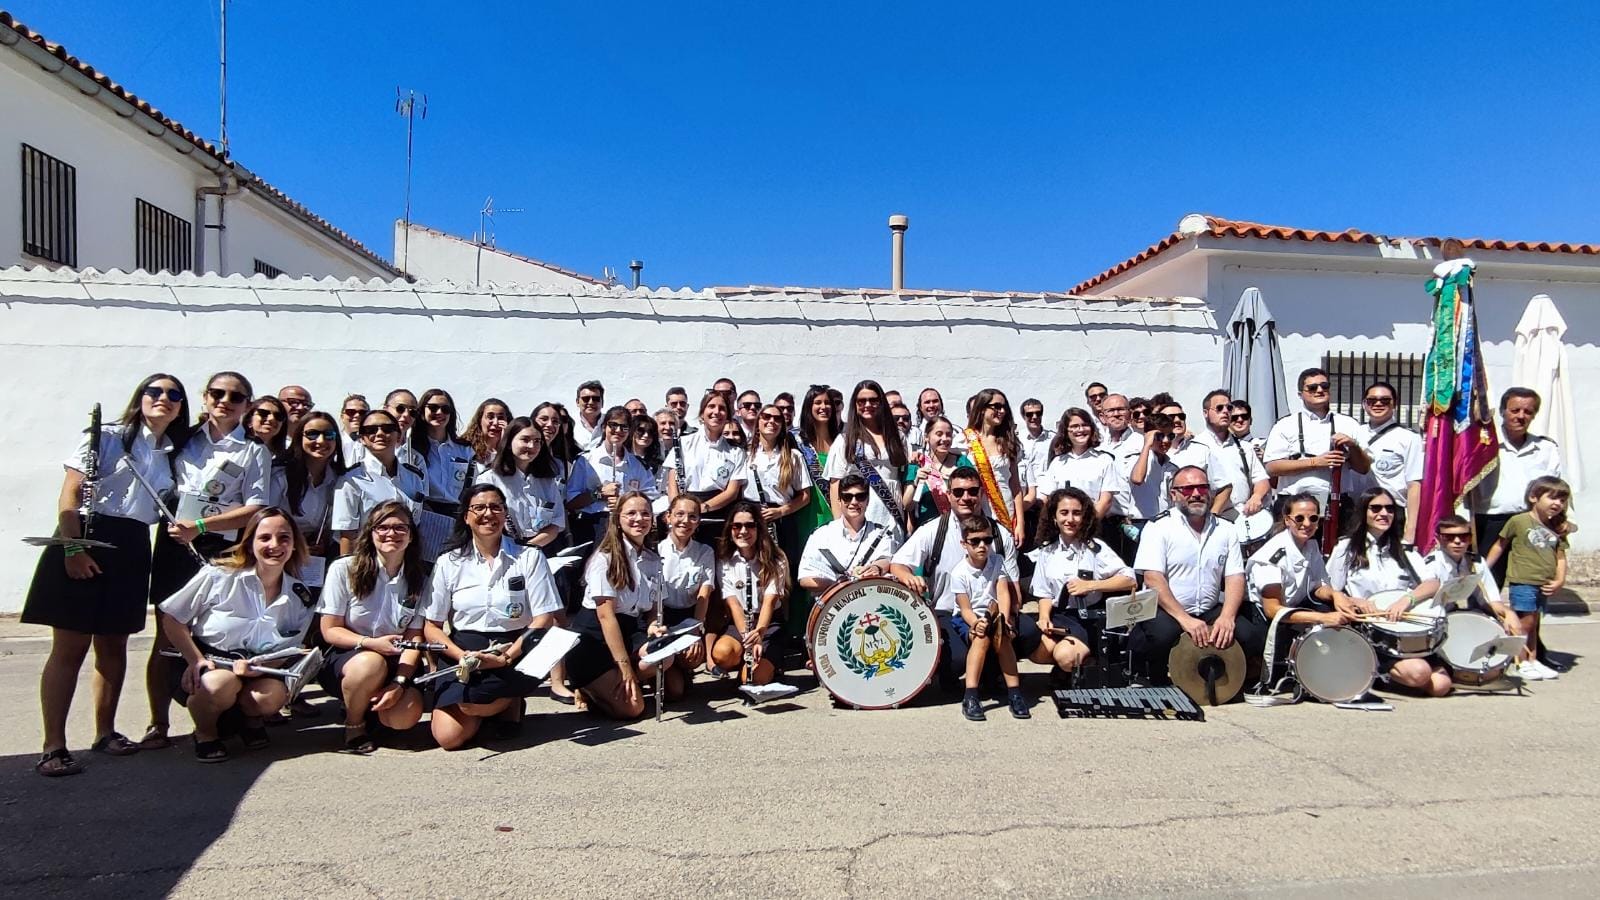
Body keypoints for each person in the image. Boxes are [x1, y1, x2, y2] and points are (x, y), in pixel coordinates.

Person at [24, 375, 191, 776]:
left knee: (113, 647)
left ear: (181, 407)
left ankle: (105, 732)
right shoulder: (106, 436)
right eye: (155, 391)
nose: (163, 399)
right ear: (140, 397)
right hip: (87, 534)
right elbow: (69, 493)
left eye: (173, 395)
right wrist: (73, 547)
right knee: (70, 648)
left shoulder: (172, 452)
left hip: (133, 544)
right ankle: (54, 746)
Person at [143, 370, 271, 751]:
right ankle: (158, 723)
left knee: (220, 631)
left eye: (235, 397)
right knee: (166, 635)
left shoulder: (253, 450)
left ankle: (226, 712)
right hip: (172, 546)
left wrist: (201, 525)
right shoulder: (179, 440)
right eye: (217, 393)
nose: (225, 401)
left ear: (247, 405)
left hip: (219, 548)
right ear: (204, 397)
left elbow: (255, 507)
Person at [156, 507, 313, 763]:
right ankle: (205, 734)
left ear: (295, 545)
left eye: (284, 538)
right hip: (207, 661)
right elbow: (172, 619)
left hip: (258, 667)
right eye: (264, 538)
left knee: (270, 697)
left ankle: (251, 720)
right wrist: (195, 661)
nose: (275, 545)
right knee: (219, 684)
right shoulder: (219, 576)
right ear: (250, 543)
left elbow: (291, 648)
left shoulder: (299, 595)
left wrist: (260, 668)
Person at [422, 485, 563, 748]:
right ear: (466, 516)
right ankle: (497, 705)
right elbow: (431, 625)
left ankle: (508, 701)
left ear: (505, 514)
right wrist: (460, 655)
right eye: (479, 508)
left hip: (516, 645)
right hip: (465, 648)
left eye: (496, 507)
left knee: (473, 708)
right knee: (448, 737)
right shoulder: (448, 562)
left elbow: (544, 617)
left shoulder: (529, 557)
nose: (488, 514)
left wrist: (506, 657)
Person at [890, 467, 1032, 691]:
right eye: (958, 492)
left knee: (1030, 633)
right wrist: (909, 577)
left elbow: (1013, 588)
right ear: (949, 495)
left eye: (972, 491)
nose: (966, 497)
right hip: (948, 612)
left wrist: (1009, 622)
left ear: (981, 494)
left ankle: (992, 669)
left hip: (992, 612)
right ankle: (970, 671)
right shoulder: (933, 530)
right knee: (954, 661)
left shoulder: (1001, 534)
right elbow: (897, 564)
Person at [1128, 466, 1266, 682]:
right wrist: (1185, 620)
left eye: (1202, 488)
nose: (1196, 494)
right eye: (1188, 489)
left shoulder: (1226, 529)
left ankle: (1234, 678)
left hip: (1209, 608)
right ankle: (1152, 678)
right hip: (1168, 610)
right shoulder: (1158, 528)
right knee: (1162, 636)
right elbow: (1153, 579)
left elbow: (1235, 577)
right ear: (1174, 494)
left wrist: (1227, 618)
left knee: (1250, 635)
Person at [316, 502, 428, 753]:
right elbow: (330, 630)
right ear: (370, 533)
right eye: (383, 527)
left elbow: (414, 636)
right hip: (351, 656)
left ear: (411, 536)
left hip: (397, 659)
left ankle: (373, 712)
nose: (392, 534)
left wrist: (399, 682)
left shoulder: (420, 578)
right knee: (370, 663)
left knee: (403, 718)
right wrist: (370, 644)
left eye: (400, 528)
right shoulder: (344, 568)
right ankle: (354, 725)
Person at [1327, 488, 1449, 696]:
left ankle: (1382, 674)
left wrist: (1407, 600)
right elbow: (1331, 590)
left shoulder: (1403, 548)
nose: (1384, 514)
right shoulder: (1346, 548)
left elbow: (1433, 583)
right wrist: (1354, 600)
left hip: (1406, 628)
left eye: (1389, 509)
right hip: (1371, 629)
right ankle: (1377, 671)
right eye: (1376, 508)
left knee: (1441, 686)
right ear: (1363, 512)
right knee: (1420, 673)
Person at [567, 491, 662, 719]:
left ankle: (616, 684)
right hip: (594, 640)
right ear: (618, 519)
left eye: (645, 513)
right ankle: (590, 688)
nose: (639, 519)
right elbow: (606, 618)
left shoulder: (653, 560)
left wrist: (652, 625)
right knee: (633, 709)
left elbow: (652, 609)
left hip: (629, 631)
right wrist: (625, 666)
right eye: (631, 513)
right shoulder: (605, 558)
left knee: (663, 657)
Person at [1030, 487, 1135, 683]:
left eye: (1076, 513)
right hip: (1059, 616)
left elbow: (1129, 579)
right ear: (1054, 517)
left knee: (1065, 655)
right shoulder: (1047, 550)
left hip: (1088, 619)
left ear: (1084, 517)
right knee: (1037, 651)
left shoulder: (1095, 548)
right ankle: (1071, 670)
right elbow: (1043, 592)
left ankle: (1090, 664)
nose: (1070, 519)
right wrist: (1044, 618)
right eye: (1064, 513)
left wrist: (1092, 586)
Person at [1473, 388, 1565, 586]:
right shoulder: (1484, 445)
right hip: (1491, 521)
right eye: (1515, 410)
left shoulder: (1546, 449)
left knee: (1530, 583)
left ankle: (1525, 616)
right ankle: (1483, 616)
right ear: (1503, 411)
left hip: (1532, 522)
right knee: (1487, 582)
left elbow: (1557, 489)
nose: (1521, 416)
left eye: (1528, 412)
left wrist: (1562, 520)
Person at [1482, 477, 1570, 681]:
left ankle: (1533, 659)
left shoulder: (1558, 527)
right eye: (1552, 498)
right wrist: (1485, 568)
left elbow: (1561, 557)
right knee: (1524, 623)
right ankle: (1518, 661)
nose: (1557, 503)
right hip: (1523, 581)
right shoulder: (1519, 521)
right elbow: (1500, 545)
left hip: (1544, 584)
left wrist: (1559, 580)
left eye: (1562, 500)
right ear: (1534, 497)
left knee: (1534, 622)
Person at [1263, 368, 1370, 519]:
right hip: (1294, 504)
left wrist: (1353, 447)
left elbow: (1364, 468)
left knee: (1341, 543)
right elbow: (1272, 467)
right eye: (1312, 388)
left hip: (1338, 504)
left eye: (1324, 386)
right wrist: (1315, 462)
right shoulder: (1285, 424)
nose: (1319, 390)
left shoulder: (1348, 423)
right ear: (1300, 394)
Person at [951, 515, 1028, 721]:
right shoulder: (959, 573)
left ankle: (1015, 693)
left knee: (1002, 639)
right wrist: (975, 623)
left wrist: (1004, 619)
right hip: (968, 617)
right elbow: (964, 608)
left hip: (994, 613)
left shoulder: (997, 561)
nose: (982, 546)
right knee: (981, 638)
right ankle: (971, 695)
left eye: (987, 540)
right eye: (975, 541)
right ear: (964, 544)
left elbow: (1003, 592)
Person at [709, 501, 789, 685]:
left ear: (759, 528)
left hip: (767, 624)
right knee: (722, 654)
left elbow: (769, 602)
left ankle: (768, 667)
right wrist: (748, 638)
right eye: (737, 526)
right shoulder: (724, 560)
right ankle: (743, 660)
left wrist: (759, 634)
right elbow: (733, 604)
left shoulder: (777, 559)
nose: (743, 531)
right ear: (730, 529)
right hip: (742, 622)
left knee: (751, 679)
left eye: (750, 525)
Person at [332, 409, 428, 556]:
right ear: (362, 439)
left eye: (388, 429)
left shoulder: (414, 477)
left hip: (406, 561)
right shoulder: (351, 480)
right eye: (370, 430)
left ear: (399, 436)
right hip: (367, 560)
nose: (380, 434)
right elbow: (347, 535)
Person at [270, 411, 347, 594]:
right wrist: (297, 544)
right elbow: (265, 519)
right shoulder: (280, 475)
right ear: (299, 438)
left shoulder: (340, 479)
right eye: (312, 434)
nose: (321, 441)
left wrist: (325, 540)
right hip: (279, 555)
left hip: (316, 562)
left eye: (329, 435)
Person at [740, 403, 812, 596]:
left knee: (783, 573)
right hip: (752, 517)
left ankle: (783, 621)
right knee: (754, 571)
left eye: (777, 418)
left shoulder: (793, 456)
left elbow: (805, 496)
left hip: (781, 519)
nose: (771, 421)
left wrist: (781, 511)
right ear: (758, 422)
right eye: (766, 417)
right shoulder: (745, 454)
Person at [826, 380, 910, 540]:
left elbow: (905, 479)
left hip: (892, 510)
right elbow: (835, 483)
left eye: (873, 400)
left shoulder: (897, 437)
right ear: (855, 405)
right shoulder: (846, 439)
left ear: (881, 403)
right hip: (859, 507)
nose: (867, 404)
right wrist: (839, 523)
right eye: (862, 401)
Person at [568, 405, 660, 546]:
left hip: (629, 525)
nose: (618, 431)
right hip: (595, 524)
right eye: (613, 425)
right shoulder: (586, 461)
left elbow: (651, 497)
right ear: (604, 427)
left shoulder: (638, 465)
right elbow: (571, 502)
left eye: (624, 427)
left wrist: (626, 502)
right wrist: (598, 494)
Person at [797, 473, 902, 597]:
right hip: (831, 606)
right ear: (839, 501)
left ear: (867, 501)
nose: (854, 502)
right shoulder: (821, 535)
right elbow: (805, 579)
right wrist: (842, 584)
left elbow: (888, 561)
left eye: (860, 496)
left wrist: (876, 569)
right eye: (847, 497)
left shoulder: (882, 534)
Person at [1345, 381, 1423, 545]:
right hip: (1355, 512)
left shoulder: (1409, 438)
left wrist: (1410, 532)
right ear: (1364, 404)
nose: (1378, 404)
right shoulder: (1354, 433)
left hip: (1388, 512)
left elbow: (1414, 485)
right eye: (1372, 400)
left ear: (1395, 404)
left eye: (1385, 400)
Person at [664, 391, 747, 542]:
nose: (716, 412)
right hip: (685, 515)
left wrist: (702, 508)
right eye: (711, 407)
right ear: (702, 413)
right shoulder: (683, 443)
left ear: (728, 416)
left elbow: (732, 492)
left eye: (722, 408)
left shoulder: (736, 452)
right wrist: (680, 511)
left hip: (718, 516)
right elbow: (672, 484)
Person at [657, 495, 716, 697]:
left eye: (692, 516)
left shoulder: (704, 551)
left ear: (698, 522)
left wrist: (695, 633)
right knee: (673, 692)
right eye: (679, 514)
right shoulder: (656, 551)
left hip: (688, 617)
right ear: (668, 517)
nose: (685, 521)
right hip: (661, 618)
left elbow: (704, 594)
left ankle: (682, 669)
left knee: (691, 661)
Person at [477, 417, 564, 548]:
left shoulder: (547, 480)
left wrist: (529, 548)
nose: (532, 446)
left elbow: (556, 522)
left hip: (540, 548)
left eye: (537, 441)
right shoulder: (489, 479)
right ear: (508, 442)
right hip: (502, 548)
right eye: (525, 440)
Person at [411, 389, 478, 557]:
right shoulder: (411, 448)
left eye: (445, 409)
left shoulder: (464, 449)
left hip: (456, 517)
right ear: (422, 411)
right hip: (424, 515)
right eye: (433, 408)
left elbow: (471, 486)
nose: (439, 413)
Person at [1194, 389, 1271, 524]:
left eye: (1229, 408)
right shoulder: (1196, 446)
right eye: (1219, 408)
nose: (1225, 411)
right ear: (1205, 413)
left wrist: (1257, 496)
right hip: (1210, 517)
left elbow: (1261, 479)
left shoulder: (1244, 447)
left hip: (1243, 517)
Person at [962, 389, 1026, 545]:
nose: (1002, 411)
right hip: (975, 510)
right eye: (996, 406)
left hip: (1005, 510)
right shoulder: (963, 441)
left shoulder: (1009, 442)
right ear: (982, 408)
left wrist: (1020, 524)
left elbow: (1015, 486)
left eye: (1004, 407)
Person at [1036, 407, 1123, 519]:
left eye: (1085, 425)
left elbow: (1106, 500)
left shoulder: (1104, 460)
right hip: (1064, 528)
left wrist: (1086, 527)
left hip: (1094, 527)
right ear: (1066, 432)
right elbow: (1046, 497)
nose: (1080, 430)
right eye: (1074, 426)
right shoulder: (1057, 463)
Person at [904, 416, 971, 528]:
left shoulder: (962, 462)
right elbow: (907, 506)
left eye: (948, 434)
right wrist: (916, 482)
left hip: (960, 528)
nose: (944, 439)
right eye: (939, 434)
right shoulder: (917, 464)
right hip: (928, 530)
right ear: (926, 437)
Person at [459, 398, 513, 467]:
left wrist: (504, 443)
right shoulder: (466, 449)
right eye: (490, 417)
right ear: (480, 420)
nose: (495, 423)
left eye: (500, 418)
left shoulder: (513, 451)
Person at [1018, 399, 1054, 490]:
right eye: (1029, 414)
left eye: (1038, 413)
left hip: (1046, 490)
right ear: (1023, 416)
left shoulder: (1053, 439)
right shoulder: (1017, 439)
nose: (1034, 417)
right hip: (1024, 489)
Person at [383, 389, 421, 466]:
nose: (406, 415)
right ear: (385, 409)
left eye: (412, 412)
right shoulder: (363, 448)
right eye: (400, 408)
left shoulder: (416, 458)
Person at [571, 380, 606, 450]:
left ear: (602, 403)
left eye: (596, 399)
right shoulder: (570, 424)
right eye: (586, 399)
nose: (591, 402)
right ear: (577, 402)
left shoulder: (610, 423)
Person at [632, 413, 664, 485]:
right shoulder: (623, 458)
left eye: (650, 432)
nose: (646, 435)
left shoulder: (658, 464)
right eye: (641, 431)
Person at [338, 394, 370, 464]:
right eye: (351, 412)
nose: (357, 416)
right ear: (342, 417)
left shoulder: (375, 445)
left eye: (362, 412)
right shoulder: (334, 444)